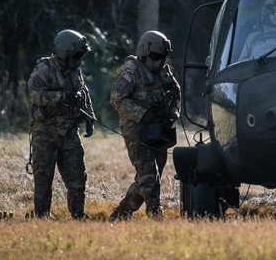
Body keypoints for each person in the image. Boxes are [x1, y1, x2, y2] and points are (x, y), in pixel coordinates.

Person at [109, 30, 182, 220]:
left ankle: (120, 215)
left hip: (159, 128)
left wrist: (172, 114)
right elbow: (117, 100)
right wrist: (142, 115)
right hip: (136, 129)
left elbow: (176, 94)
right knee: (149, 174)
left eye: (163, 57)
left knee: (149, 178)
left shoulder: (164, 72)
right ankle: (155, 213)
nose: (160, 61)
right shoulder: (130, 70)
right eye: (157, 57)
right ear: (144, 52)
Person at [26, 29, 96, 219]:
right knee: (43, 178)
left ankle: (78, 214)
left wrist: (89, 117)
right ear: (66, 50)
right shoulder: (44, 69)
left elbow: (84, 93)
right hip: (45, 132)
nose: (80, 58)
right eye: (78, 54)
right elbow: (35, 95)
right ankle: (42, 217)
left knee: (77, 177)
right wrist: (63, 97)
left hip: (70, 132)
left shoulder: (75, 71)